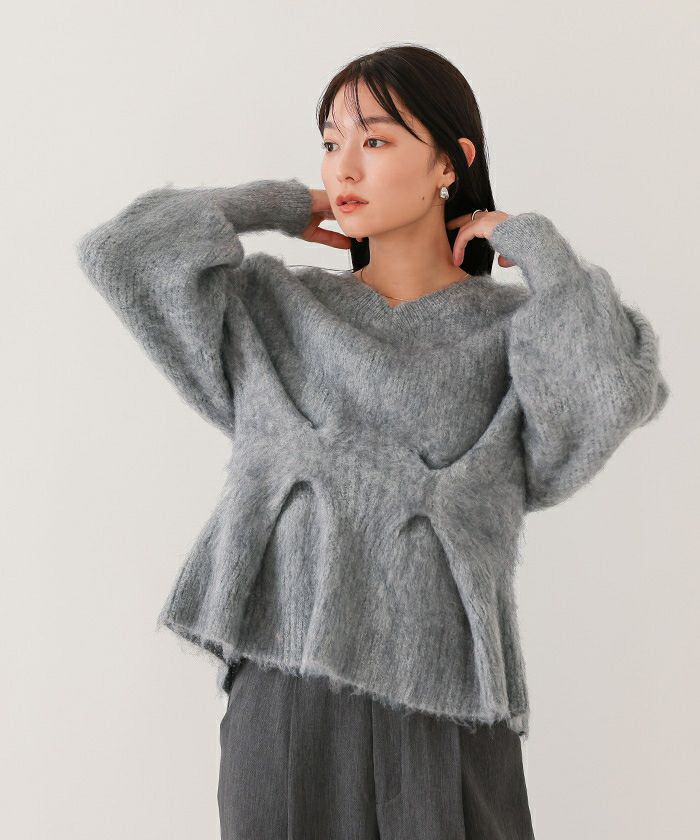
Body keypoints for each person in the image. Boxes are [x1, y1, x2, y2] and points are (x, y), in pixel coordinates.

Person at [76, 43, 669, 840]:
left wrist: (537, 245)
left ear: (450, 163)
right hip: (284, 705)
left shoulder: (517, 334)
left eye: (377, 139)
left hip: (447, 712)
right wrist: (279, 204)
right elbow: (122, 254)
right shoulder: (271, 310)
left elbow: (614, 391)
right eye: (331, 143)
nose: (345, 166)